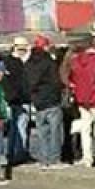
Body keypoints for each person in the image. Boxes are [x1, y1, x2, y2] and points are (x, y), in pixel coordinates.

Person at [69, 36, 95, 167]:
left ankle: (87, 157)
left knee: (85, 130)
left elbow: (72, 79)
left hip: (82, 101)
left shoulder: (76, 61)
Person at [27, 34, 65, 171]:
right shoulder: (49, 62)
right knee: (55, 131)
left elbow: (28, 83)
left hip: (38, 102)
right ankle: (55, 159)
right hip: (51, 100)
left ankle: (44, 159)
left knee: (42, 132)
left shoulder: (29, 63)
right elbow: (56, 81)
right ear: (45, 47)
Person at [2, 36, 32, 174]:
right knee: (18, 129)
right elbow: (17, 84)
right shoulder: (14, 63)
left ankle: (15, 153)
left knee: (18, 129)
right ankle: (19, 153)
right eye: (21, 49)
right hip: (17, 100)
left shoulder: (11, 63)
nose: (23, 51)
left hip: (18, 100)